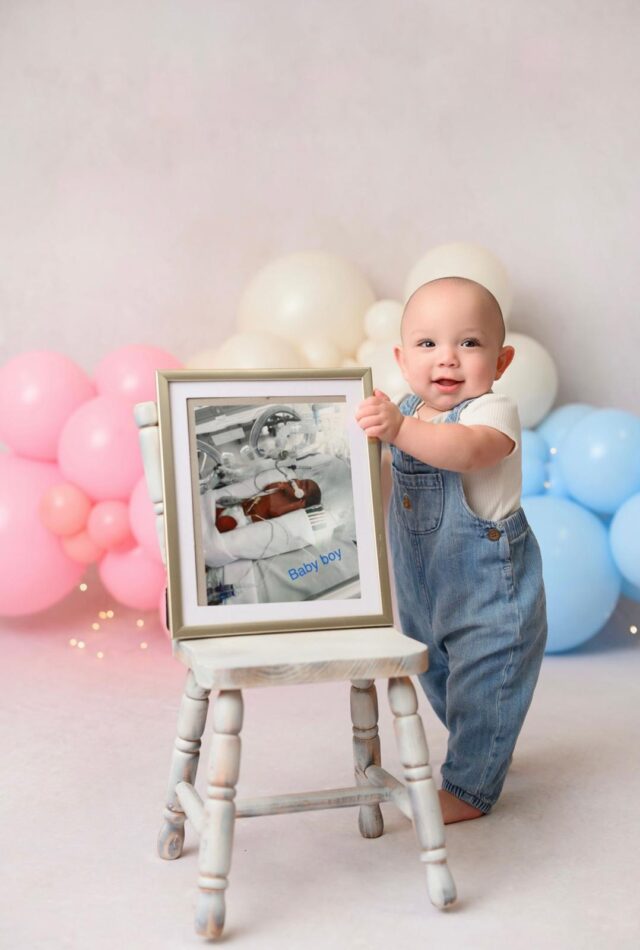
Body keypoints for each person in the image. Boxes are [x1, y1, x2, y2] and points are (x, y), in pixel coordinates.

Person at [355, 276, 547, 824]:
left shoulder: (492, 413)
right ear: (402, 358)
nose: (447, 358)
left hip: (490, 593)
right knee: (439, 677)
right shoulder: (408, 409)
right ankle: (486, 745)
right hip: (423, 588)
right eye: (427, 343)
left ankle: (469, 787)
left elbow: (464, 451)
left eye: (469, 343)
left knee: (485, 681)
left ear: (501, 361)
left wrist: (397, 429)